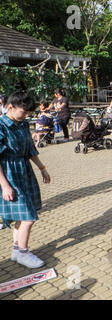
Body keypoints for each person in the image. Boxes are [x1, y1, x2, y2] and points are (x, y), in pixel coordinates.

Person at [0, 90, 51, 269]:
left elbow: (30, 150)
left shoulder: (22, 124)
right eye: (24, 111)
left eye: (29, 112)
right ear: (10, 107)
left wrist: (42, 168)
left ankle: (16, 251)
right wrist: (4, 185)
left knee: (22, 216)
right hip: (7, 174)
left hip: (24, 171)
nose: (26, 115)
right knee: (28, 217)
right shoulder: (1, 126)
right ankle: (23, 252)